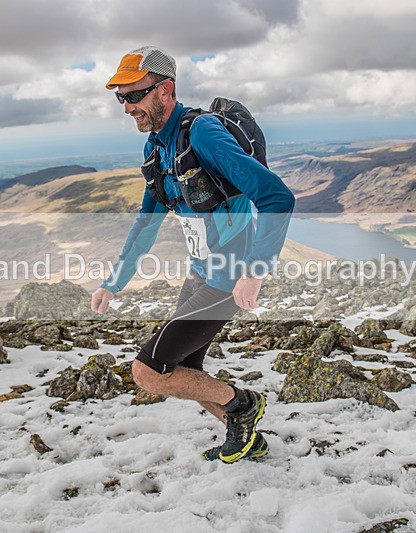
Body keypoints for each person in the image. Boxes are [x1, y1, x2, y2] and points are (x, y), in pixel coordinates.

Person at [91, 46, 295, 463]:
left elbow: (277, 197)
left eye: (135, 95)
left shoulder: (201, 134)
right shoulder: (156, 150)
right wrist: (113, 283)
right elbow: (146, 225)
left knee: (148, 372)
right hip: (201, 273)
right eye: (121, 98)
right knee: (185, 370)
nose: (128, 107)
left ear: (165, 90)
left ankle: (243, 405)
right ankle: (248, 439)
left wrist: (254, 271)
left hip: (229, 276)